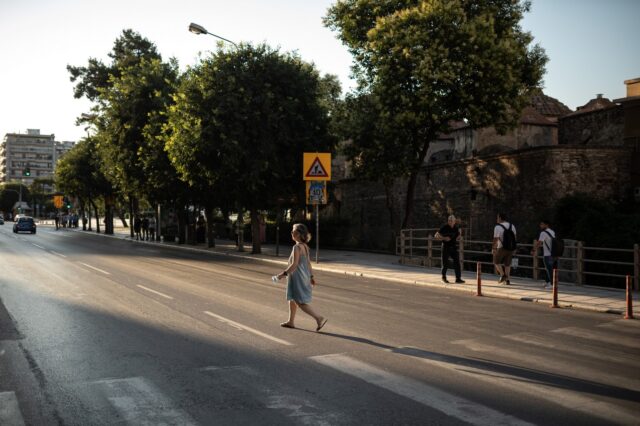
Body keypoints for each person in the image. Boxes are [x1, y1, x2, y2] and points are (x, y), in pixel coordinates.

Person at [275, 223, 328, 331]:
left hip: (297, 278)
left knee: (300, 302)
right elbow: (308, 264)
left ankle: (318, 318)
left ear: (298, 234)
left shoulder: (297, 247)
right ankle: (291, 321)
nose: (291, 233)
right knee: (292, 299)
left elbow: (294, 264)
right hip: (304, 276)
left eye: (293, 231)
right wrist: (311, 276)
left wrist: (283, 274)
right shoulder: (305, 247)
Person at [434, 215, 465, 284]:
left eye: (452, 220)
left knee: (457, 262)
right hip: (445, 247)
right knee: (445, 263)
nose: (450, 222)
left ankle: (458, 279)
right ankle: (443, 277)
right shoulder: (444, 227)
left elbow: (457, 238)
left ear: (455, 221)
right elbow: (436, 235)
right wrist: (444, 238)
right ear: (448, 221)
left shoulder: (456, 228)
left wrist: (460, 234)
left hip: (453, 247)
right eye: (449, 220)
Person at [492, 212, 517, 285]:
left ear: (500, 218)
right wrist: (514, 248)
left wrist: (493, 248)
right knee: (507, 264)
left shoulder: (497, 227)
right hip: (511, 247)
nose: (496, 219)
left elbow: (495, 239)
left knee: (496, 261)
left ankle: (503, 275)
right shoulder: (512, 226)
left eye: (497, 217)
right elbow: (515, 237)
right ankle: (507, 280)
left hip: (501, 247)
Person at [532, 220, 556, 290]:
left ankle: (551, 284)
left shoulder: (543, 233)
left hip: (547, 254)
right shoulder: (552, 231)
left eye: (542, 224)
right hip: (553, 253)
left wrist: (533, 250)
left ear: (546, 225)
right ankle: (548, 282)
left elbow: (539, 243)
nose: (540, 226)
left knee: (549, 269)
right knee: (549, 268)